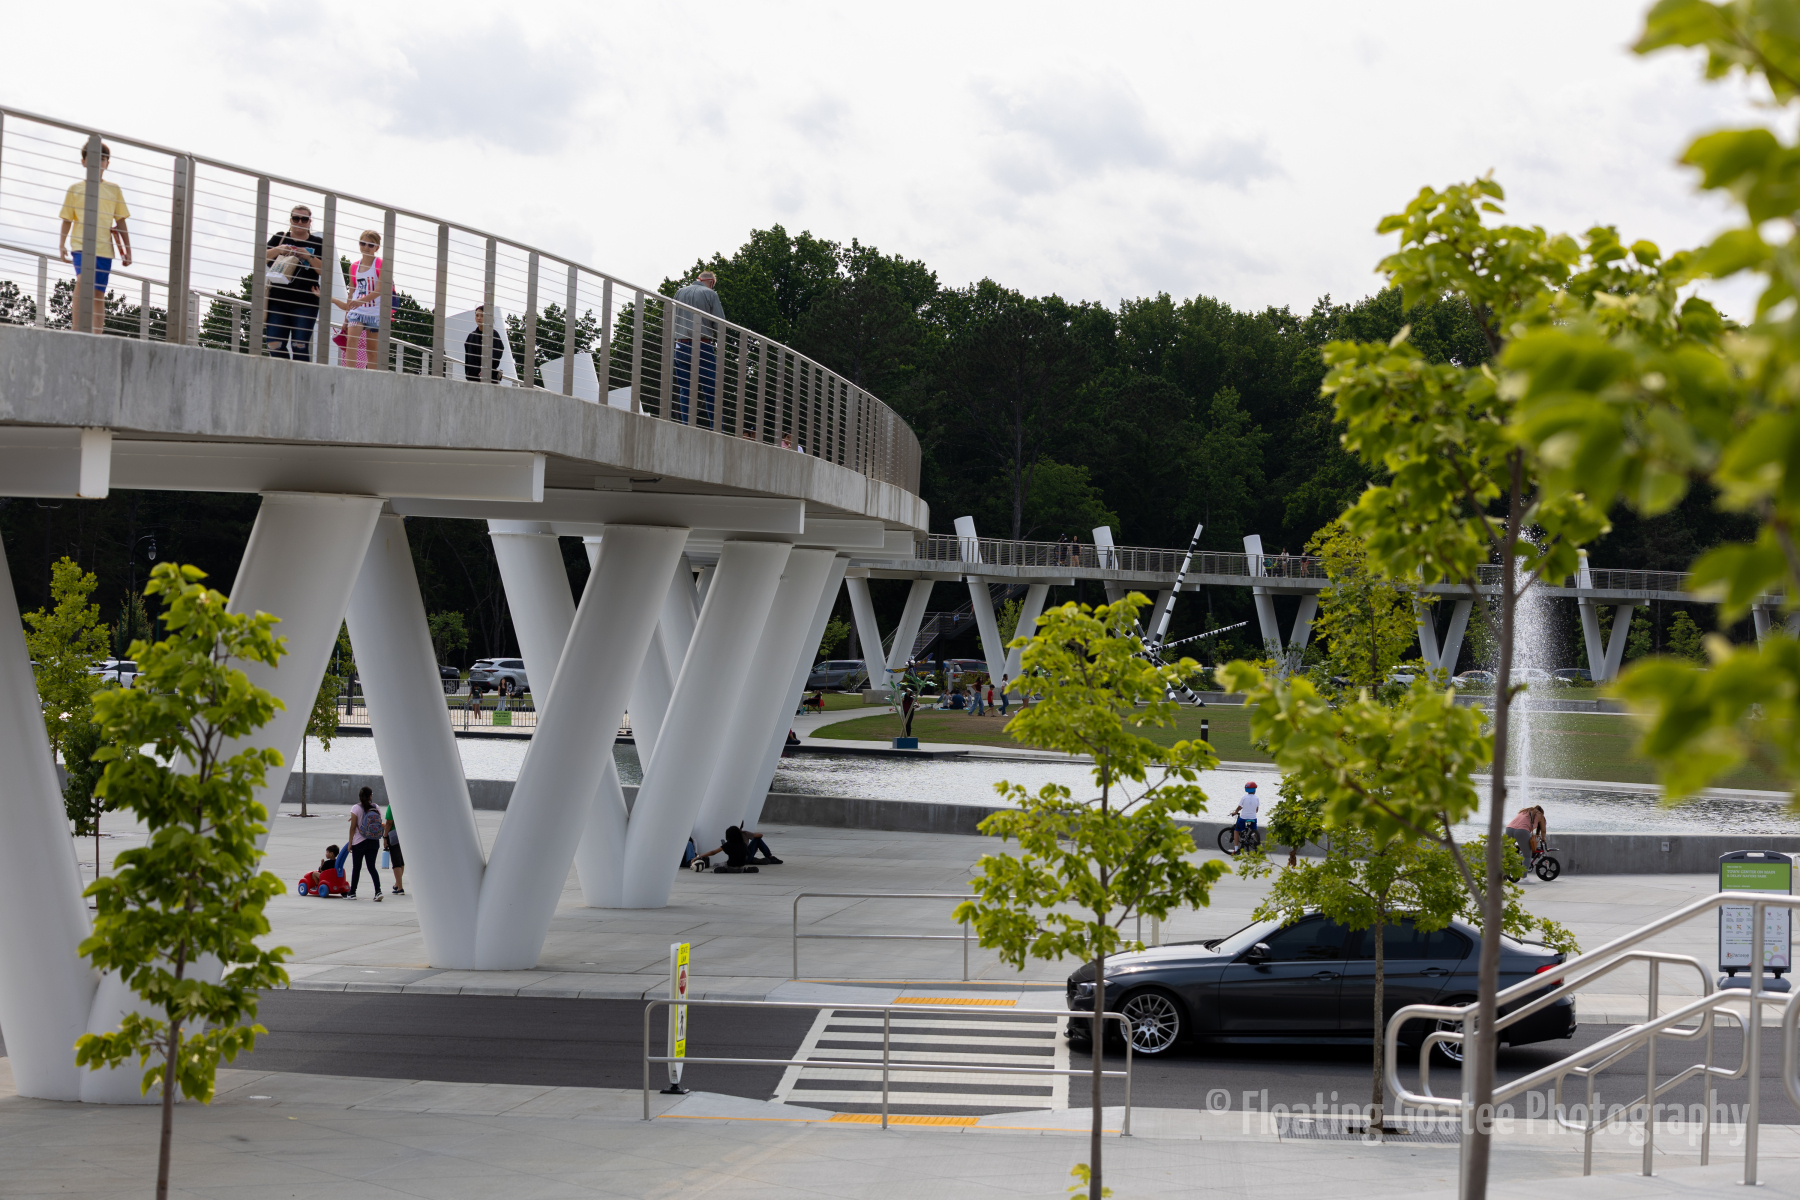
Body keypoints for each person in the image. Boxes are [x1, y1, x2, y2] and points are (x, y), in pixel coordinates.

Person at [57, 141, 132, 334]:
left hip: (105, 249)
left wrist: (128, 250)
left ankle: (97, 336)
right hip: (81, 246)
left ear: (107, 163)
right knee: (82, 280)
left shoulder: (114, 190)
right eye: (92, 158)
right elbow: (67, 219)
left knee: (98, 293)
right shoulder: (74, 189)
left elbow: (121, 221)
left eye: (102, 159)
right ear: (83, 162)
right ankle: (76, 329)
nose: (97, 162)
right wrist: (62, 244)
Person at [263, 205, 324, 360]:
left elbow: (325, 270)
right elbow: (260, 256)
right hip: (278, 300)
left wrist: (308, 256)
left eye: (304, 219)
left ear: (310, 222)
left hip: (306, 301)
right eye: (296, 218)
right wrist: (279, 249)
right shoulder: (280, 237)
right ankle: (283, 374)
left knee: (300, 345)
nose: (300, 222)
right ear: (290, 220)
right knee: (274, 344)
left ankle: (300, 376)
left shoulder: (318, 242)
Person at [671, 271, 725, 427]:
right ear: (711, 282)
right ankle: (717, 429)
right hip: (702, 345)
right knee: (711, 389)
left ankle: (687, 426)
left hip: (680, 345)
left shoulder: (679, 292)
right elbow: (720, 324)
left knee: (685, 389)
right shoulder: (710, 294)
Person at [332, 231, 384, 369]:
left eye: (370, 245)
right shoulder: (354, 266)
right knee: (351, 342)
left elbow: (380, 290)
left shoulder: (380, 264)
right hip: (356, 311)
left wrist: (361, 301)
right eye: (363, 243)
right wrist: (346, 319)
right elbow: (351, 293)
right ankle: (351, 374)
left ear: (377, 248)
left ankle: (372, 377)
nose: (366, 247)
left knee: (371, 349)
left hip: (374, 312)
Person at [345, 786, 385, 900]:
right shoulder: (376, 807)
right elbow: (378, 822)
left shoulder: (355, 808)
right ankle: (378, 891)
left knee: (356, 868)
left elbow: (353, 828)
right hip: (374, 841)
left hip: (359, 842)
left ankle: (352, 893)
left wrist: (350, 843)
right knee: (372, 867)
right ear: (370, 796)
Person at [693, 826, 766, 873]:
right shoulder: (744, 844)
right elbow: (747, 854)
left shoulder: (727, 845)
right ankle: (745, 869)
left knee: (716, 865)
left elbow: (713, 852)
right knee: (739, 866)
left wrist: (699, 856)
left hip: (730, 867)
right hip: (741, 868)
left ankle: (724, 870)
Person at [464, 303, 507, 382]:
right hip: (472, 378)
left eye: (482, 316)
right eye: (477, 315)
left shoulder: (494, 335)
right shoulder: (471, 336)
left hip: (488, 378)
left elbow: (496, 355)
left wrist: (486, 370)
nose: (479, 318)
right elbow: (468, 357)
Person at [1228, 781, 1260, 852]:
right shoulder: (1257, 798)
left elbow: (1239, 807)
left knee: (1236, 831)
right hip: (1253, 818)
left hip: (1243, 818)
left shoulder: (1244, 797)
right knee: (1255, 831)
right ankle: (1260, 846)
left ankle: (1236, 849)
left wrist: (1235, 812)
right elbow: (1256, 810)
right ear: (1254, 789)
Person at [383, 805, 405, 895]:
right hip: (405, 834)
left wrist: (385, 837)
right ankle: (397, 884)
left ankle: (400, 888)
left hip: (394, 835)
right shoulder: (404, 803)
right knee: (401, 861)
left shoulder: (392, 805)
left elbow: (389, 822)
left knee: (396, 862)